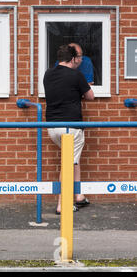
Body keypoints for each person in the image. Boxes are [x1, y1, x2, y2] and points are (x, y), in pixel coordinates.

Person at [43, 45, 94, 215]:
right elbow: (90, 96)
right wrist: (81, 87)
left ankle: (78, 196)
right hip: (71, 127)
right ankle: (62, 204)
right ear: (72, 59)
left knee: (72, 160)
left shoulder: (48, 74)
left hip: (51, 127)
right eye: (78, 58)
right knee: (68, 163)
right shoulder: (76, 75)